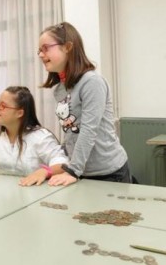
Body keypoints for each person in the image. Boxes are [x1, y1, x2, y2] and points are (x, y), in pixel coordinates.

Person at [38, 22, 131, 186]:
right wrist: (65, 165)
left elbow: (89, 130)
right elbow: (70, 133)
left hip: (108, 172)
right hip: (80, 170)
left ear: (67, 47)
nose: (40, 54)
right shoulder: (59, 89)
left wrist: (73, 170)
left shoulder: (91, 82)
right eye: (39, 50)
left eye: (45, 48)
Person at [0, 86, 68, 186]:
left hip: (33, 193)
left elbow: (62, 163)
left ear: (20, 113)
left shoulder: (41, 137)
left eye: (3, 106)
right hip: (5, 196)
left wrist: (45, 171)